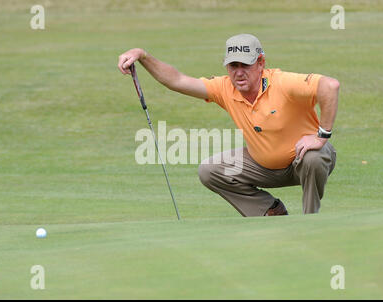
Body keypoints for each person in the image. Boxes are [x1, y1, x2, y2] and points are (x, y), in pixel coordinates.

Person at [118, 34, 338, 217]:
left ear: (261, 63)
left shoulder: (283, 83)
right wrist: (142, 55)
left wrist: (320, 136)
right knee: (210, 170)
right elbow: (176, 80)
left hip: (302, 162)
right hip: (262, 166)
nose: (239, 72)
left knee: (314, 157)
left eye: (246, 65)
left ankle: (311, 222)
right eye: (233, 66)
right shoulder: (224, 87)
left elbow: (330, 86)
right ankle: (270, 212)